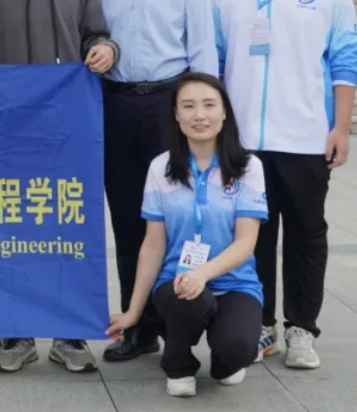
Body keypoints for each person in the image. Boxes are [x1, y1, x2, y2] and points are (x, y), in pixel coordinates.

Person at [208, 0, 357, 370]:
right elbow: (212, 63)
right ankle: (260, 326)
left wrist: (341, 127)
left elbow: (346, 59)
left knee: (306, 235)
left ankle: (302, 328)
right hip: (242, 143)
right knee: (249, 236)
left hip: (305, 137)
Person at [0, 0, 116, 374]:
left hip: (67, 133)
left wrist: (105, 50)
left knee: (68, 229)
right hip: (10, 133)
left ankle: (69, 335)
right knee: (13, 230)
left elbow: (98, 35)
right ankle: (17, 334)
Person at [89, 0, 217, 363]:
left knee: (176, 216)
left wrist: (202, 113)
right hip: (116, 104)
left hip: (169, 103)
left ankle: (179, 324)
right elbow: (89, 39)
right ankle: (137, 325)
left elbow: (202, 48)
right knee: (127, 219)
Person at [107, 72, 267, 398]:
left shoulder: (249, 166)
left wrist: (203, 273)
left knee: (238, 348)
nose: (199, 115)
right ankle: (178, 364)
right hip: (176, 282)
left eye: (209, 105)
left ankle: (224, 360)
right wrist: (133, 312)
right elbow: (153, 245)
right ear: (176, 115)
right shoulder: (161, 168)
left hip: (235, 283)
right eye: (189, 106)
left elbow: (246, 243)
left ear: (224, 112)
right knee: (189, 299)